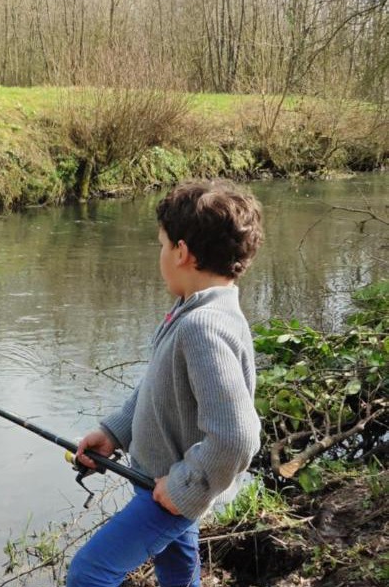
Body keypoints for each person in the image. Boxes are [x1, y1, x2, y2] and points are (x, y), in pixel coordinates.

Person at [67, 180, 264, 587]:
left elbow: (238, 437)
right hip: (168, 484)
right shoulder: (195, 311)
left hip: (174, 488)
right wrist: (114, 433)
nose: (160, 254)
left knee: (89, 573)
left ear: (181, 252)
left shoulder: (203, 327)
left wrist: (186, 489)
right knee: (178, 575)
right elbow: (160, 387)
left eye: (161, 245)